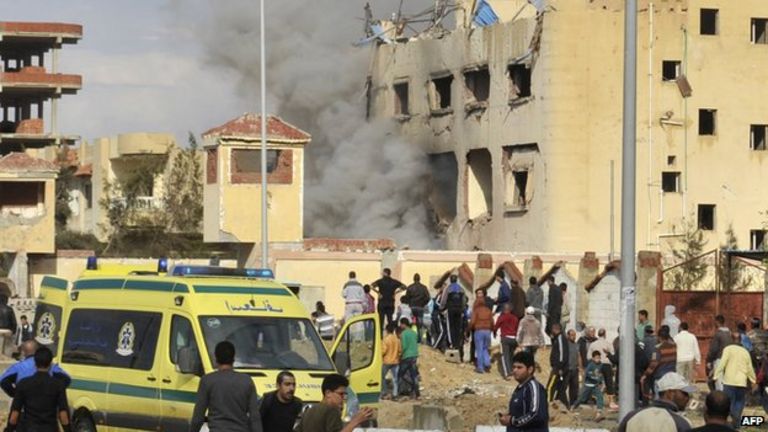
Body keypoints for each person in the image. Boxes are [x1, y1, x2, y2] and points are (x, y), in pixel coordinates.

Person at [191, 341, 262, 432]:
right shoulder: (246, 381)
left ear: (216, 358)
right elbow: (255, 418)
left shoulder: (207, 381)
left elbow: (198, 418)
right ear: (233, 359)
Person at [6, 347, 70, 432]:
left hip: (28, 428)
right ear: (50, 363)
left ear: (35, 363)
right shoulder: (58, 385)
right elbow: (63, 415)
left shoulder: (23, 384)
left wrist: (8, 429)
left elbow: (14, 415)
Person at [294, 374, 373, 432]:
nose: (343, 398)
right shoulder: (331, 410)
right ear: (328, 393)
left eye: (345, 394)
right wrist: (356, 421)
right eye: (341, 394)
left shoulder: (310, 410)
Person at [618, 372, 694, 432]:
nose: (687, 397)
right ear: (670, 393)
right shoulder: (680, 422)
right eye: (684, 393)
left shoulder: (632, 416)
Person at [498, 351, 549, 432]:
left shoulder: (534, 387)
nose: (515, 370)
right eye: (514, 367)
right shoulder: (520, 389)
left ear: (530, 369)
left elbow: (536, 414)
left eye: (519, 367)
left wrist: (512, 421)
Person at [714, 331, 756, 429]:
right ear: (741, 340)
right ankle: (736, 423)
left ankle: (734, 421)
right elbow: (749, 367)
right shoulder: (745, 352)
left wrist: (716, 375)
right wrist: (753, 380)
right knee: (739, 402)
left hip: (729, 381)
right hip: (741, 382)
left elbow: (722, 363)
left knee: (729, 402)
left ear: (731, 339)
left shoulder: (728, 349)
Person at [1, 340, 70, 397]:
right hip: (46, 407)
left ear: (23, 352)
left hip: (24, 407)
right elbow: (66, 379)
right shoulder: (49, 364)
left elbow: (3, 381)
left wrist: (15, 394)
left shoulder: (18, 367)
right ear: (38, 350)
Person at [643, 325, 677, 401]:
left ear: (659, 337)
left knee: (659, 399)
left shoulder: (657, 348)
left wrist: (645, 374)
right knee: (670, 398)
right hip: (672, 376)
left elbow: (653, 364)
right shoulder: (674, 346)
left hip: (660, 377)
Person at [572, 350, 605, 421]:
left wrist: (601, 381)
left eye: (599, 358)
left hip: (595, 386)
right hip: (588, 386)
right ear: (593, 358)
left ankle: (599, 412)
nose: (598, 359)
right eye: (596, 358)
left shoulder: (601, 365)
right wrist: (595, 377)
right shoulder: (590, 365)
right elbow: (587, 374)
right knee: (581, 398)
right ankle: (573, 407)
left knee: (600, 396)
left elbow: (601, 374)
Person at [588, 328, 617, 410]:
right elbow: (613, 355)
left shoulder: (593, 344)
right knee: (609, 383)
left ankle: (596, 400)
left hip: (597, 364)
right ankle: (611, 402)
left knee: (596, 383)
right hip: (607, 364)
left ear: (598, 334)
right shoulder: (608, 344)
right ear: (605, 334)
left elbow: (589, 356)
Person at [441, 275, 467, 362]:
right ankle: (457, 344)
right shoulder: (461, 289)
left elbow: (443, 300)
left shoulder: (448, 289)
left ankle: (451, 344)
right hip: (459, 310)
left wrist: (442, 308)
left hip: (451, 309)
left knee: (450, 327)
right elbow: (464, 301)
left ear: (450, 280)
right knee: (457, 327)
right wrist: (463, 309)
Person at [469, 289, 493, 374]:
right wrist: (492, 331)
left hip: (479, 330)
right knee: (485, 348)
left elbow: (472, 321)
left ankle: (480, 367)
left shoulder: (476, 310)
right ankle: (487, 362)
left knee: (479, 349)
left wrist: (468, 329)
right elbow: (492, 321)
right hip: (487, 331)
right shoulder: (488, 310)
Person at [495, 302, 520, 380]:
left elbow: (496, 326)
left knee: (505, 356)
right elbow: (517, 328)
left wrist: (494, 331)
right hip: (514, 338)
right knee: (511, 356)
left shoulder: (502, 317)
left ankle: (507, 374)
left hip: (505, 338)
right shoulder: (515, 318)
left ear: (504, 309)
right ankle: (513, 371)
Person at [402, 274, 430, 342]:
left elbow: (406, 297)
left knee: (412, 323)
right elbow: (428, 297)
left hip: (412, 307)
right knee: (420, 324)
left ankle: (411, 338)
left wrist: (410, 303)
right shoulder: (424, 287)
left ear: (413, 279)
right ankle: (420, 339)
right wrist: (423, 304)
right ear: (419, 279)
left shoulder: (410, 287)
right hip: (420, 307)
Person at [546, 322, 568, 406]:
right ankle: (564, 404)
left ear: (555, 329)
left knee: (550, 387)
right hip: (558, 367)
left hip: (558, 367)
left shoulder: (560, 338)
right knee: (559, 387)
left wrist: (559, 367)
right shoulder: (557, 338)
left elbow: (562, 354)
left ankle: (548, 404)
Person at [707, 315, 732, 391]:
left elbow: (714, 349)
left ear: (717, 322)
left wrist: (709, 360)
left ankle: (720, 397)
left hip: (719, 359)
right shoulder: (729, 333)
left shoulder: (718, 334)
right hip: (729, 359)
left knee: (719, 380)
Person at [398, 317, 420, 400]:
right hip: (414, 355)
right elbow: (416, 342)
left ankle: (399, 392)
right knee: (413, 374)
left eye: (401, 324)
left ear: (404, 324)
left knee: (400, 374)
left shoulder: (403, 334)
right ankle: (416, 391)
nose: (400, 326)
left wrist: (400, 355)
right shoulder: (414, 333)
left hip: (407, 356)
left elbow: (404, 346)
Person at [381, 322, 401, 399]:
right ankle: (395, 394)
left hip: (387, 361)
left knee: (382, 377)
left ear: (386, 330)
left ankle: (384, 392)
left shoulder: (386, 339)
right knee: (395, 379)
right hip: (396, 361)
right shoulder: (397, 339)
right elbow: (400, 350)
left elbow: (383, 351)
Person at [564, 329, 580, 406]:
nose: (574, 337)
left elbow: (579, 356)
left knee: (574, 387)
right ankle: (563, 402)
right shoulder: (565, 345)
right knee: (564, 386)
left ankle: (573, 403)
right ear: (568, 335)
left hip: (575, 369)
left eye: (575, 335)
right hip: (567, 369)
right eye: (572, 335)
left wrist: (580, 367)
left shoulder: (576, 345)